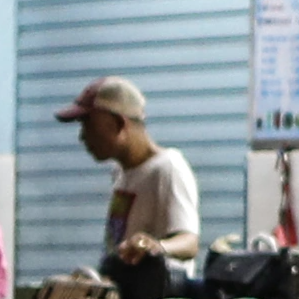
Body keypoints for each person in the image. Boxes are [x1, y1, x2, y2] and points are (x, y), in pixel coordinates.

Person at [57, 75, 202, 268]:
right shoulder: (120, 172)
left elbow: (189, 243)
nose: (83, 137)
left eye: (89, 125)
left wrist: (156, 247)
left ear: (118, 123)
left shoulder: (168, 168)